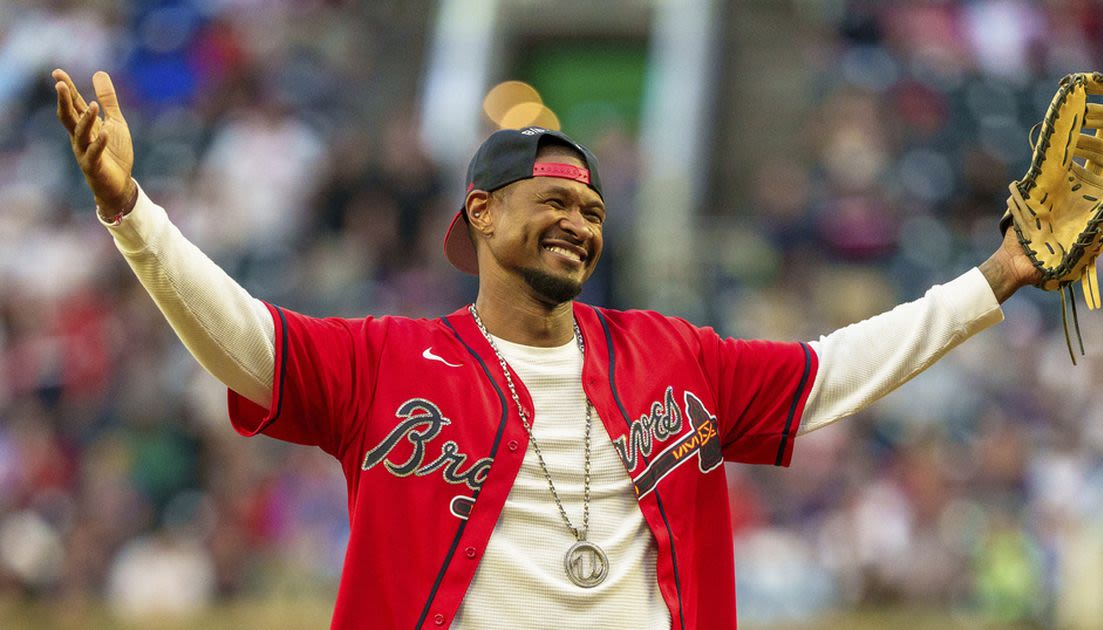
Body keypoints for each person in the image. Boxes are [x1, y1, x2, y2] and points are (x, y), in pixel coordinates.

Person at [53, 68, 1040, 629]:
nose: (580, 224)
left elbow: (836, 370)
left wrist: (991, 278)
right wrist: (130, 214)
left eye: (595, 210)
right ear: (482, 214)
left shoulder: (671, 354)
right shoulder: (387, 361)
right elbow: (241, 336)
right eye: (556, 203)